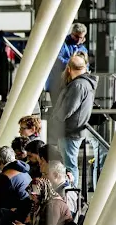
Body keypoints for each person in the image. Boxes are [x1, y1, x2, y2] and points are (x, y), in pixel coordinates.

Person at [51, 54, 96, 188]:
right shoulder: (85, 83)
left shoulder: (78, 85)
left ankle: (71, 196)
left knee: (69, 165)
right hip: (74, 131)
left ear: (69, 69)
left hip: (70, 131)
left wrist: (55, 120)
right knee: (69, 164)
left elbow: (67, 109)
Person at [0, 146, 32, 221]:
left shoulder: (6, 176)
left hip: (18, 210)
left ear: (0, 161)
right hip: (27, 205)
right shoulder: (22, 169)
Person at [47, 23, 88, 97]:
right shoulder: (62, 43)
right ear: (72, 33)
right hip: (59, 81)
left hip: (75, 82)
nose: (78, 40)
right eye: (76, 37)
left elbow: (86, 64)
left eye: (81, 38)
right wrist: (73, 64)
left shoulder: (83, 48)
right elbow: (57, 59)